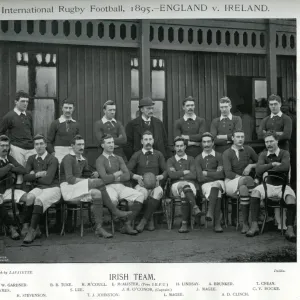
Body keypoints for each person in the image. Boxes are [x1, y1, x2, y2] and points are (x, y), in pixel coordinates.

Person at [60, 135, 132, 238]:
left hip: (78, 186)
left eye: (83, 144)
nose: (82, 147)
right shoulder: (68, 158)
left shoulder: (83, 159)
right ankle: (115, 211)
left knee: (97, 193)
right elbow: (70, 179)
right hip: (68, 187)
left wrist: (93, 174)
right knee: (98, 182)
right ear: (72, 146)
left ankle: (99, 228)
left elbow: (85, 174)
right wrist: (90, 181)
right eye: (79, 144)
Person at [246, 131, 296, 242]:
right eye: (267, 142)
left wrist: (267, 169)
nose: (269, 144)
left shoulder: (284, 153)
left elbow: (285, 167)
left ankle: (290, 228)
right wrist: (272, 164)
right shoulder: (263, 154)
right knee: (255, 192)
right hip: (267, 185)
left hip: (282, 186)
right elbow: (258, 170)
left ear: (277, 141)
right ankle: (254, 226)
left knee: (291, 198)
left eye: (271, 141)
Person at [96, 134, 144, 235]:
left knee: (140, 195)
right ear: (102, 145)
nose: (111, 145)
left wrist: (112, 176)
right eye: (108, 143)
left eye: (112, 142)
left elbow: (126, 175)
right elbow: (104, 179)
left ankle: (127, 224)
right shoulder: (99, 160)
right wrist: (117, 173)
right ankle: (118, 224)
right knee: (112, 200)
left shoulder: (118, 158)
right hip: (108, 187)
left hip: (121, 186)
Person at [21, 134, 61, 244]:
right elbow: (25, 177)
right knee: (29, 197)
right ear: (34, 146)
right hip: (39, 187)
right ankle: (31, 226)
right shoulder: (31, 158)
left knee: (38, 200)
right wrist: (37, 174)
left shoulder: (53, 159)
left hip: (53, 188)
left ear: (46, 145)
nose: (39, 146)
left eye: (41, 144)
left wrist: (32, 177)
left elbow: (48, 180)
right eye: (36, 144)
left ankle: (31, 231)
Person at [127, 131, 167, 233]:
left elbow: (167, 170)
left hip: (155, 184)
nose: (148, 142)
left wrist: (161, 176)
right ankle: (150, 219)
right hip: (141, 185)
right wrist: (136, 177)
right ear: (142, 141)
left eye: (150, 139)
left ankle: (144, 221)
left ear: (153, 141)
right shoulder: (137, 155)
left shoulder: (158, 154)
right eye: (146, 139)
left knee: (158, 192)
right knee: (143, 193)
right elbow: (127, 170)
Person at [222, 130, 258, 233]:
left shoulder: (248, 149)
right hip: (230, 183)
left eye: (242, 137)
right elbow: (228, 173)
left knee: (243, 189)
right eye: (237, 137)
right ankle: (255, 220)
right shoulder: (227, 153)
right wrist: (242, 179)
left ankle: (245, 224)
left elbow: (260, 163)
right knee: (247, 180)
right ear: (232, 138)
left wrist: (250, 165)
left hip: (245, 185)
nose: (240, 139)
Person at [0, 135, 34, 240]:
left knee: (31, 197)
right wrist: (10, 167)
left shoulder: (9, 158)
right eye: (2, 146)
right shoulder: (9, 162)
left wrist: (11, 167)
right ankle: (11, 227)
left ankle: (25, 224)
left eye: (6, 146)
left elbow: (22, 170)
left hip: (10, 190)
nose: (5, 148)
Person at [167, 136, 202, 233]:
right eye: (177, 146)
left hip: (191, 185)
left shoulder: (191, 159)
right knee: (182, 185)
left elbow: (194, 175)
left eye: (181, 146)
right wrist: (184, 172)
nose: (179, 148)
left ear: (185, 147)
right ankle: (195, 207)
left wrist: (178, 173)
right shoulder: (170, 160)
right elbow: (171, 175)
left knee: (184, 190)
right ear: (174, 148)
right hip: (175, 186)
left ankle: (184, 224)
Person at [0, 91, 36, 182]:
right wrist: (7, 145)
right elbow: (1, 133)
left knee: (32, 172)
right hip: (17, 148)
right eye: (22, 101)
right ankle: (19, 192)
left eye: (27, 101)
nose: (25, 104)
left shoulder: (29, 115)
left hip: (30, 148)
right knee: (19, 173)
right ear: (16, 102)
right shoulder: (9, 116)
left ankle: (29, 193)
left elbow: (31, 132)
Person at [195, 132, 225, 233]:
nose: (206, 144)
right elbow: (200, 178)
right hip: (206, 185)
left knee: (217, 184)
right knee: (217, 192)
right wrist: (214, 173)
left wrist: (207, 173)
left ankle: (210, 212)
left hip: (219, 182)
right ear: (201, 144)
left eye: (208, 142)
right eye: (204, 142)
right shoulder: (198, 158)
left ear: (213, 143)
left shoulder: (220, 156)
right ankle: (217, 224)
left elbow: (221, 174)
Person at [47, 98, 80, 164]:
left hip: (72, 152)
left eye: (70, 108)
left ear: (73, 109)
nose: (68, 110)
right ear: (62, 108)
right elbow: (48, 141)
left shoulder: (76, 124)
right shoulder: (55, 123)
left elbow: (78, 141)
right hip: (59, 153)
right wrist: (53, 153)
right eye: (66, 108)